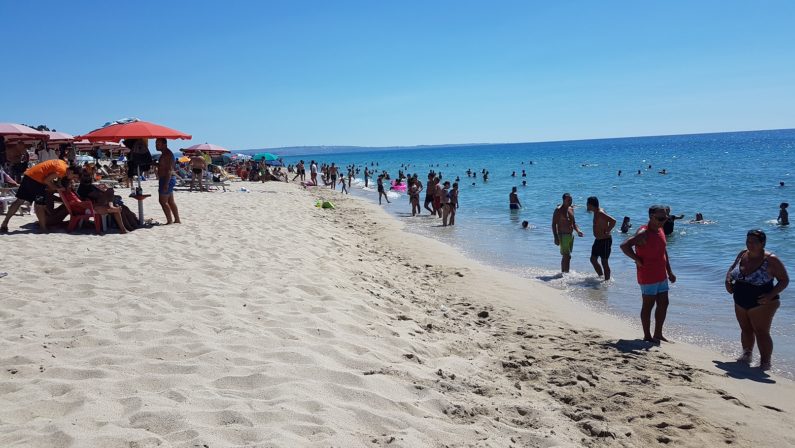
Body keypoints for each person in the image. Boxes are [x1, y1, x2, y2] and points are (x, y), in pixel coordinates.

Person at [725, 230, 789, 370]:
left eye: (754, 242)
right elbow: (732, 269)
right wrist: (728, 280)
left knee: (761, 332)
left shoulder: (771, 259)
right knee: (746, 329)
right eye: (748, 241)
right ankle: (746, 356)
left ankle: (765, 363)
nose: (750, 244)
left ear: (763, 243)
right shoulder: (743, 254)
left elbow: (784, 280)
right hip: (740, 300)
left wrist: (770, 295)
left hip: (762, 302)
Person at [620, 205, 677, 343]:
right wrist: (637, 259)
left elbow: (664, 251)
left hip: (661, 274)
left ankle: (658, 333)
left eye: (666, 218)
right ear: (651, 217)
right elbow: (624, 246)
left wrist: (669, 271)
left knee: (664, 303)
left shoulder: (660, 229)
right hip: (648, 275)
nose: (664, 221)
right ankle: (647, 335)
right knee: (648, 305)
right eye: (661, 218)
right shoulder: (643, 233)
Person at [1, 159, 72, 233]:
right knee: (39, 205)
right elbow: (46, 181)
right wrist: (58, 188)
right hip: (37, 181)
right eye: (74, 177)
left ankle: (5, 223)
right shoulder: (62, 171)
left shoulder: (62, 163)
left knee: (19, 201)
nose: (74, 179)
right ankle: (43, 228)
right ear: (72, 172)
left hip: (29, 176)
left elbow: (51, 176)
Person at [551, 193, 583, 273]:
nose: (570, 201)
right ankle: (565, 273)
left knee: (567, 257)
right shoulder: (558, 210)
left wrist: (578, 231)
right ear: (563, 200)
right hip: (562, 235)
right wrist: (555, 237)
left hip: (570, 236)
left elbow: (574, 223)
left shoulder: (571, 209)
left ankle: (564, 273)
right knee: (567, 255)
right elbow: (554, 224)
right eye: (568, 200)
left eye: (571, 200)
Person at [587, 196, 617, 281]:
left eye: (588, 204)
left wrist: (607, 230)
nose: (587, 206)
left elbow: (613, 221)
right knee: (593, 259)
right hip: (598, 240)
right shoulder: (596, 212)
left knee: (604, 262)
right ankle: (600, 276)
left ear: (591, 205)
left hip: (605, 241)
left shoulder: (600, 212)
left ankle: (607, 281)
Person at [156, 138, 180, 224]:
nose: (156, 145)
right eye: (156, 143)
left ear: (164, 144)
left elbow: (169, 170)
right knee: (170, 201)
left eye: (158, 144)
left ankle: (169, 220)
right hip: (167, 178)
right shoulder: (164, 154)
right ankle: (177, 219)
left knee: (162, 201)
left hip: (167, 179)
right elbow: (164, 166)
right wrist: (155, 164)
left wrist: (166, 183)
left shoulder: (168, 154)